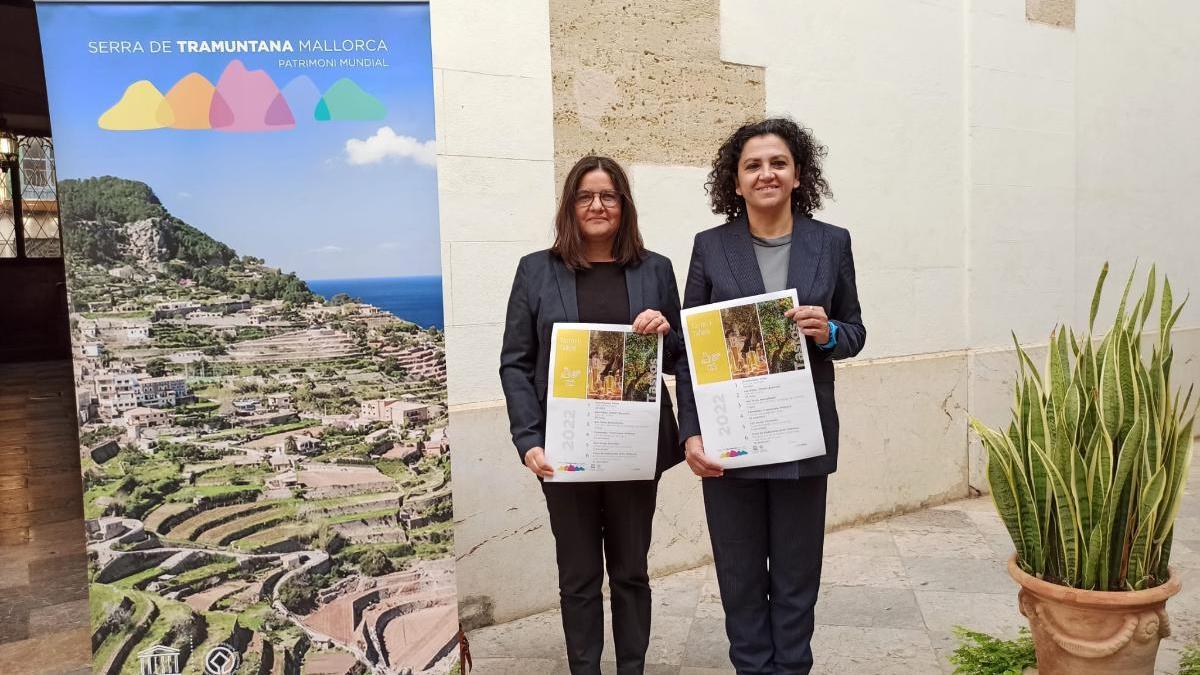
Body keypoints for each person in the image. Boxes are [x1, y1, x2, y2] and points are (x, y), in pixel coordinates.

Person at [675, 118, 866, 675]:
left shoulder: (831, 243)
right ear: (734, 182)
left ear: (798, 174)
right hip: (730, 442)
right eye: (753, 165)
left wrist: (828, 333)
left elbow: (855, 331)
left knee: (796, 575)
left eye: (778, 163)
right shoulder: (710, 247)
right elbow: (689, 349)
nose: (766, 174)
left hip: (800, 437)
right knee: (738, 577)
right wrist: (691, 432)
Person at [499, 155, 686, 675]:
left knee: (631, 572)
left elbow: (679, 361)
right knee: (578, 575)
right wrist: (528, 438)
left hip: (634, 448)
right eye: (585, 196)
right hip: (563, 450)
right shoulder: (536, 270)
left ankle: (632, 668)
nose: (597, 205)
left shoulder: (657, 270)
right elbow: (516, 362)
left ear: (624, 206)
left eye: (608, 196)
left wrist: (665, 330)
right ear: (570, 205)